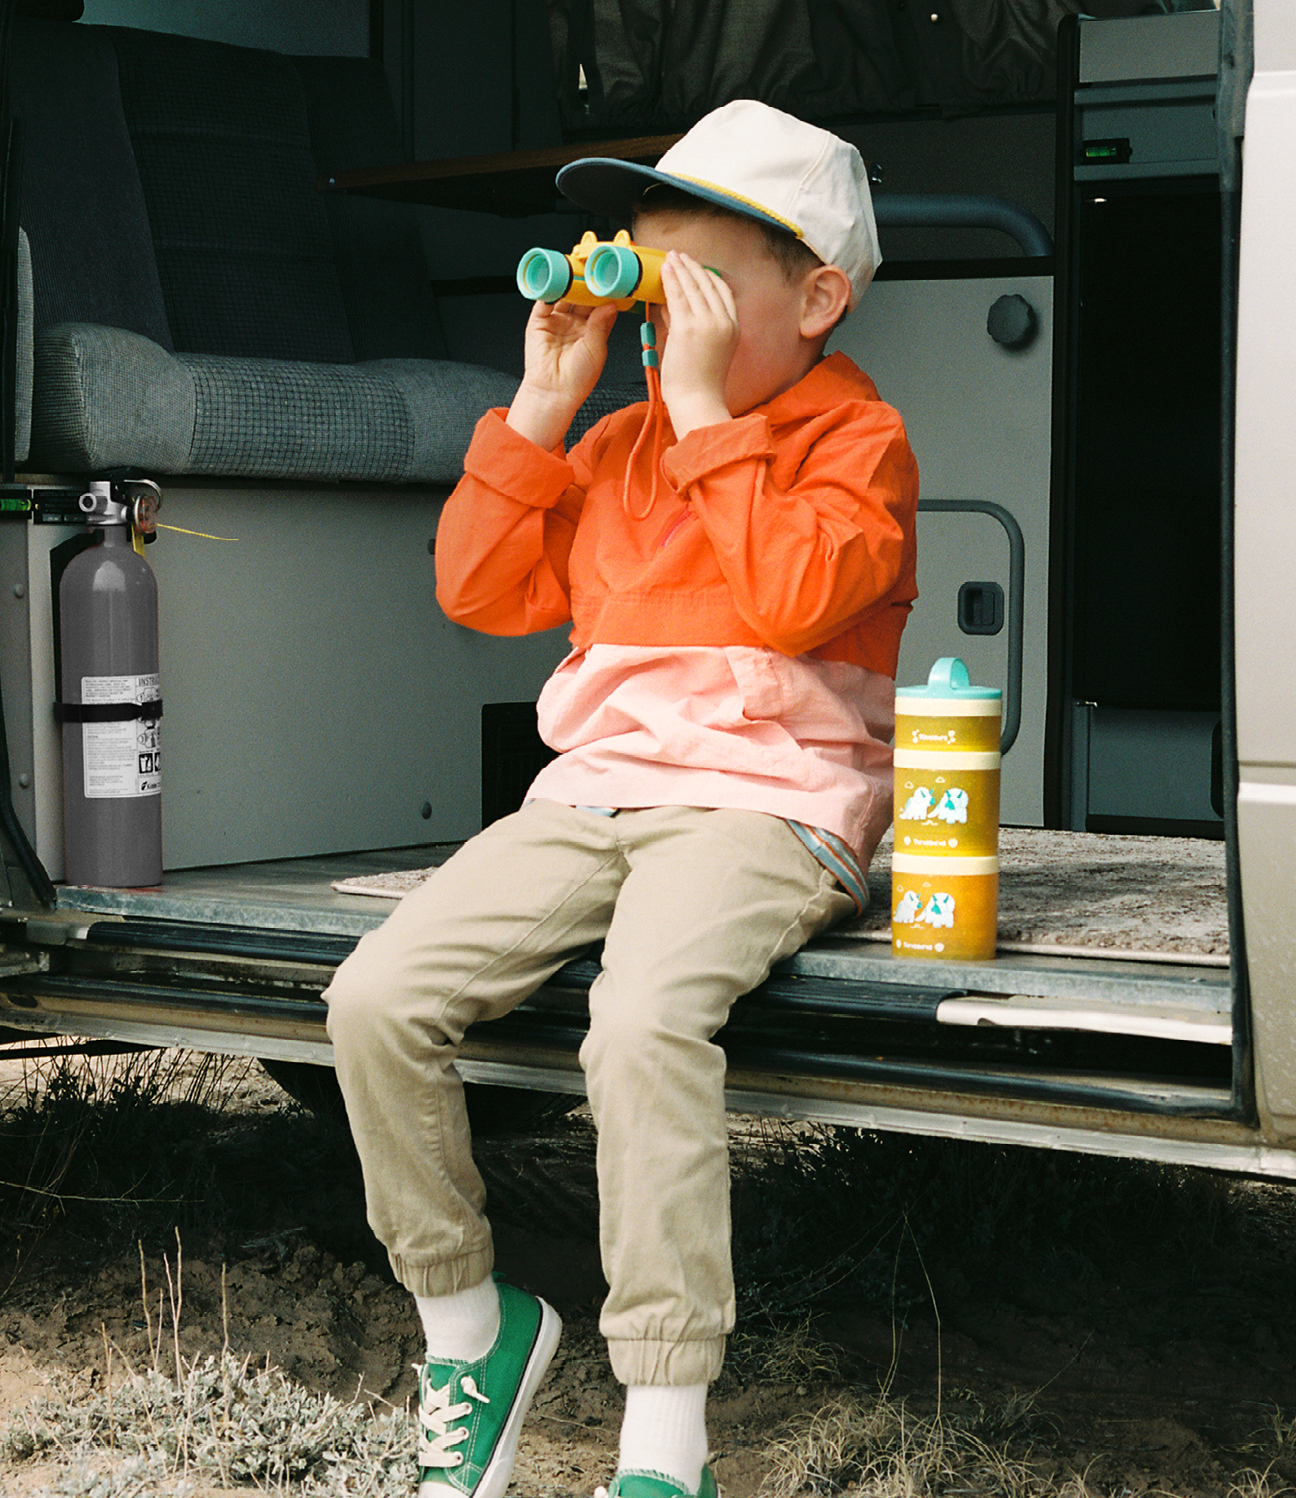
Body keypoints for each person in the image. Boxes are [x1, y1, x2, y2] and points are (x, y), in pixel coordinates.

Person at [324, 98, 916, 1498]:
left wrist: (706, 413)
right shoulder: (612, 446)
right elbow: (474, 588)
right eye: (644, 277)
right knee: (373, 999)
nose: (663, 319)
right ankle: (472, 1328)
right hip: (594, 793)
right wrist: (544, 401)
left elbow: (786, 595)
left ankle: (664, 1441)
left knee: (641, 1023)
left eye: (696, 286)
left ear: (819, 295)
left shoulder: (858, 441)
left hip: (770, 802)